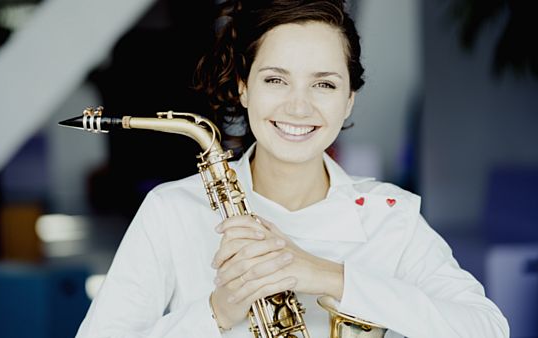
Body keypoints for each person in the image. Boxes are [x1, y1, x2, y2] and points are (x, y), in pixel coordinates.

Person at [76, 1, 509, 337]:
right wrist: (215, 313)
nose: (298, 106)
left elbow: (486, 328)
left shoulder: (389, 214)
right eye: (275, 80)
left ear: (348, 100)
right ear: (244, 88)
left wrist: (325, 275)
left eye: (323, 83)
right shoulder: (172, 209)